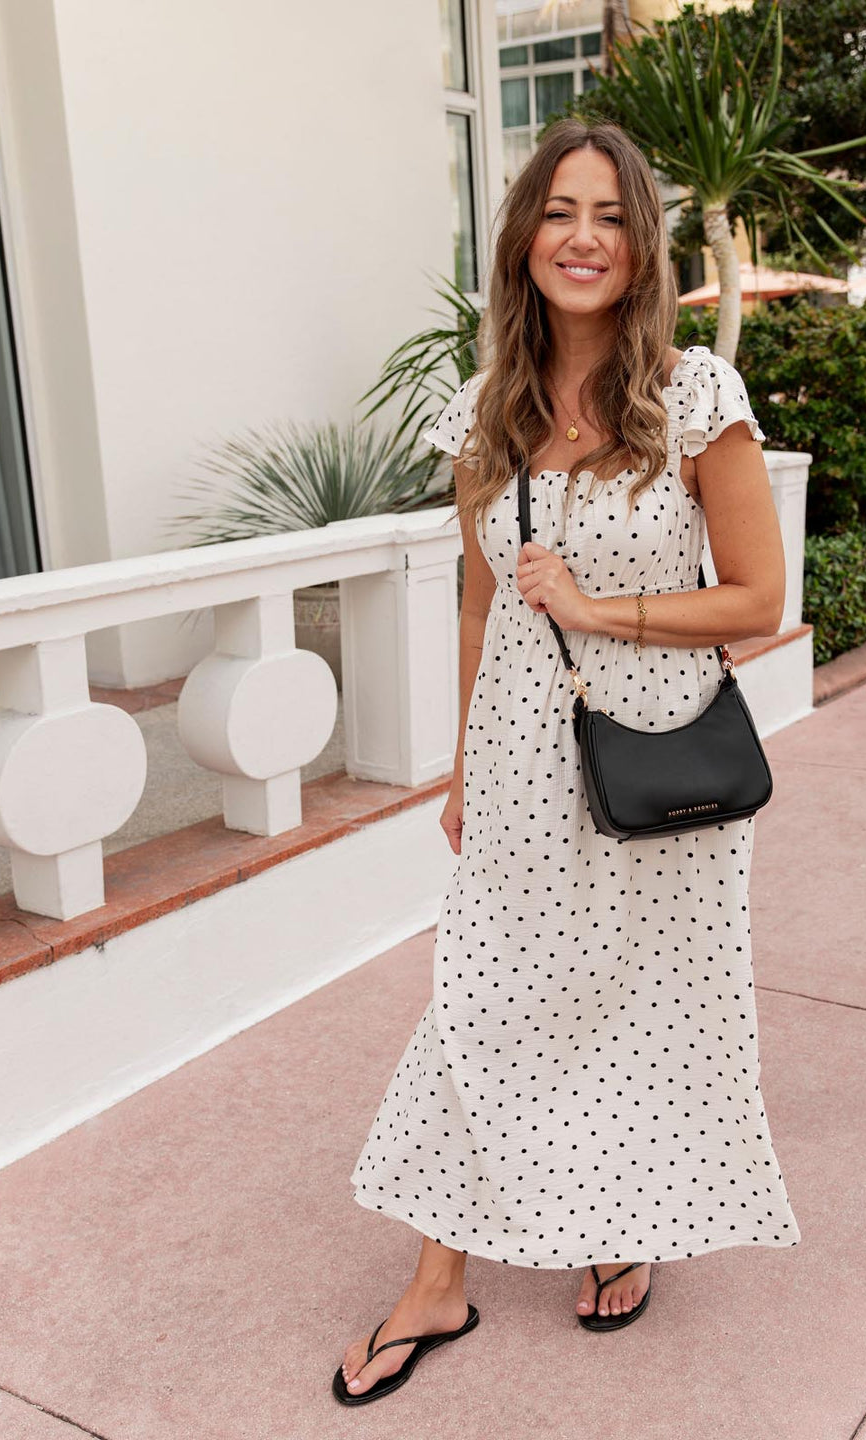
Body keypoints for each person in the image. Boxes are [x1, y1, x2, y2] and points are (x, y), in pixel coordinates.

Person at [335, 116, 801, 1407]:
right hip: (525, 763)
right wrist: (461, 770)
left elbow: (759, 599)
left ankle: (620, 1222)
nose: (582, 236)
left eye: (608, 214)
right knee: (482, 1000)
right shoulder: (487, 407)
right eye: (558, 212)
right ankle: (440, 1275)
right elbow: (482, 608)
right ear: (524, 241)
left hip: (663, 762)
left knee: (645, 1012)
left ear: (640, 243)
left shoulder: (696, 397)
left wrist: (606, 610)